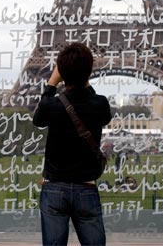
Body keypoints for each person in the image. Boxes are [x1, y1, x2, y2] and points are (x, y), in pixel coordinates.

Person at [33, 42, 111, 246]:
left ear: (61, 72)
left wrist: (51, 83)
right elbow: (100, 111)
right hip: (86, 187)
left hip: (54, 188)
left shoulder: (51, 105)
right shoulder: (99, 104)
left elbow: (38, 119)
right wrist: (84, 80)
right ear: (89, 72)